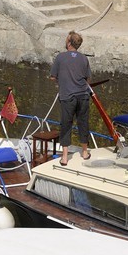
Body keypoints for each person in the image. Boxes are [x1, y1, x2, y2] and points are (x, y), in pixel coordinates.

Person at [49, 31, 92, 166]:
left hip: (68, 96)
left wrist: (62, 81)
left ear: (69, 43)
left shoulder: (60, 57)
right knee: (83, 122)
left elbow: (52, 77)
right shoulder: (84, 58)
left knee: (66, 124)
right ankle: (85, 152)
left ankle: (65, 157)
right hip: (83, 95)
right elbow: (88, 79)